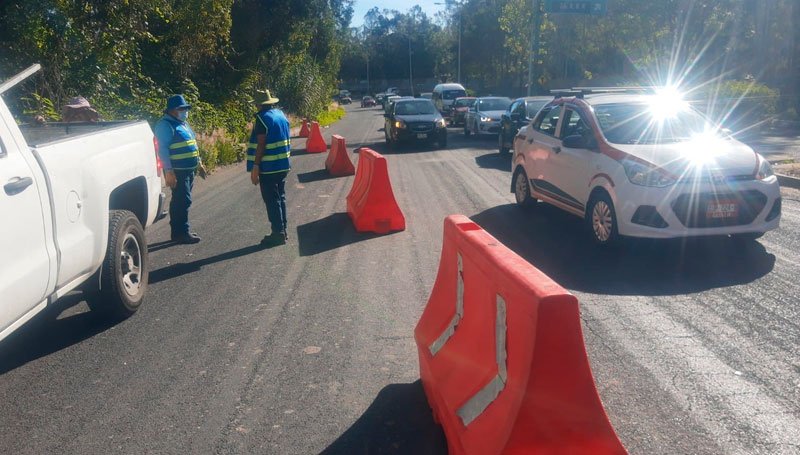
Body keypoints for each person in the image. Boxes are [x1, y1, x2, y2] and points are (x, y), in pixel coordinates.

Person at [154, 94, 202, 244]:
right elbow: (162, 150)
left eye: (186, 108)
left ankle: (181, 231)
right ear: (172, 110)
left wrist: (199, 163)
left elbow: (192, 143)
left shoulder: (182, 123)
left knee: (183, 200)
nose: (185, 111)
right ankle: (180, 232)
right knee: (182, 200)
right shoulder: (165, 125)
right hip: (177, 170)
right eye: (182, 108)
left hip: (188, 169)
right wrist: (168, 171)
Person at [247, 90, 291, 244]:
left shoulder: (261, 119)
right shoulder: (280, 115)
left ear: (259, 105)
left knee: (272, 200)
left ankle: (277, 233)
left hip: (269, 166)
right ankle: (283, 230)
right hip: (283, 164)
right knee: (280, 198)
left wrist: (256, 166)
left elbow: (261, 144)